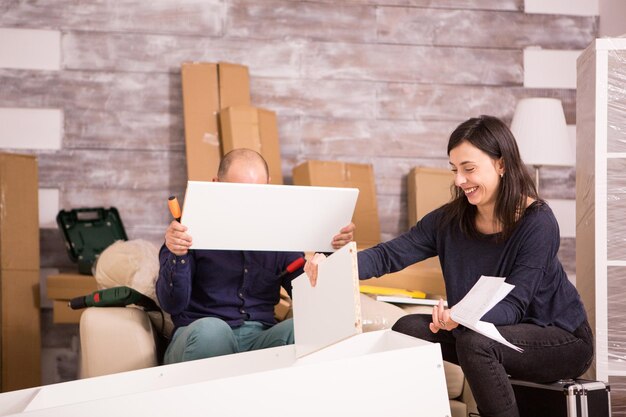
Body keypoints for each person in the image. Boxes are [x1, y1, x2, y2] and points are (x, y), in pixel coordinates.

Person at [305, 116, 593, 417]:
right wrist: (334, 265)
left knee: (474, 342)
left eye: (469, 169)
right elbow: (388, 255)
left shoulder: (538, 223)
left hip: (560, 337)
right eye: (455, 170)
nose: (459, 181)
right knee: (408, 329)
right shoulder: (449, 220)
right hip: (480, 329)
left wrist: (461, 316)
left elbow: (514, 305)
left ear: (502, 165)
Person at [156, 148, 355, 364]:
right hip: (201, 338)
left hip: (259, 340)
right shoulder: (187, 231)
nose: (247, 202)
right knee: (213, 331)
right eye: (239, 192)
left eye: (256, 192)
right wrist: (178, 255)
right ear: (216, 184)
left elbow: (308, 295)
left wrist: (330, 249)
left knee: (309, 329)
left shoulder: (280, 235)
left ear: (268, 185)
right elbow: (171, 304)